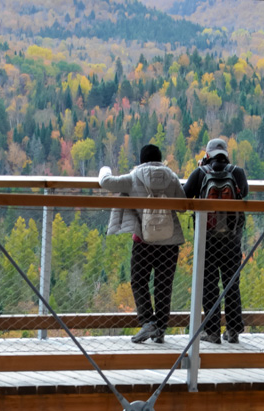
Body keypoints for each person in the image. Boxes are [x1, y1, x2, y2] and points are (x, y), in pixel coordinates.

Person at [98, 145, 186, 345]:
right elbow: (182, 206)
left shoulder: (133, 177)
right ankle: (160, 328)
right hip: (169, 242)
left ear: (142, 159)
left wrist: (105, 168)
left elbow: (106, 182)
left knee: (139, 281)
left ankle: (147, 321)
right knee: (164, 286)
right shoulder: (171, 178)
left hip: (143, 241)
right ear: (159, 159)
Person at [183, 137, 249, 345]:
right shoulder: (237, 173)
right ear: (226, 153)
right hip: (231, 239)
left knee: (209, 284)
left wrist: (200, 168)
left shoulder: (201, 173)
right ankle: (233, 330)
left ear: (208, 154)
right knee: (232, 283)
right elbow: (245, 193)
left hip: (207, 239)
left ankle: (212, 331)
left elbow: (185, 196)